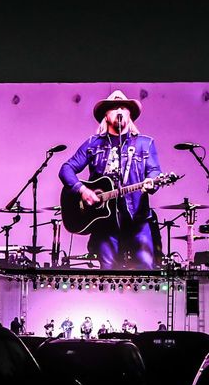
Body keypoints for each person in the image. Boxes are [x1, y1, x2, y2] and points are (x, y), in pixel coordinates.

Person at [59, 90, 163, 270]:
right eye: (114, 108)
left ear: (130, 115)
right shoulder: (93, 144)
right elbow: (66, 169)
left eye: (123, 107)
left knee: (146, 269)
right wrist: (83, 190)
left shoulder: (145, 144)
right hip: (104, 223)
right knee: (108, 274)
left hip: (137, 220)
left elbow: (154, 171)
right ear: (106, 116)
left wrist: (151, 182)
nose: (119, 111)